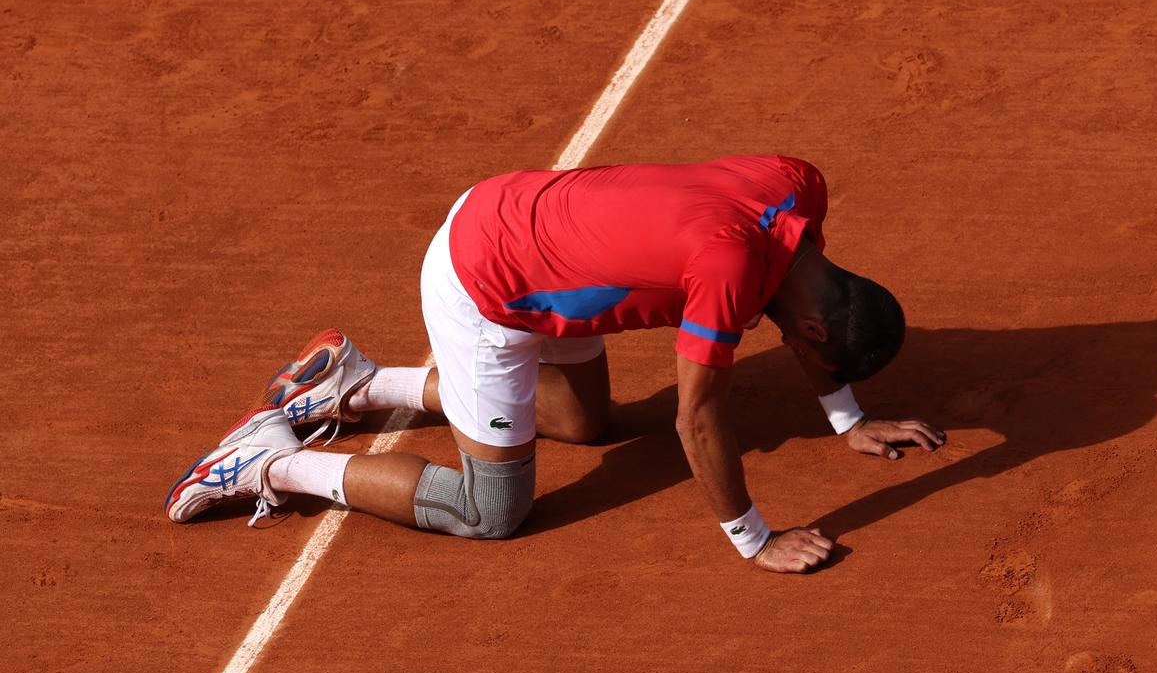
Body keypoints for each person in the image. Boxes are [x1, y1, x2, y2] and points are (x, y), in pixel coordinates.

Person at [164, 155, 946, 574]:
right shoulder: (729, 272)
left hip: (528, 215)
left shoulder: (795, 186)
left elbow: (809, 317)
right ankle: (270, 462)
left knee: (582, 423)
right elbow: (696, 417)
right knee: (490, 511)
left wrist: (847, 417)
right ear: (811, 323)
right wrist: (753, 537)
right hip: (489, 288)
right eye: (802, 349)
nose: (793, 352)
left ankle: (356, 385)